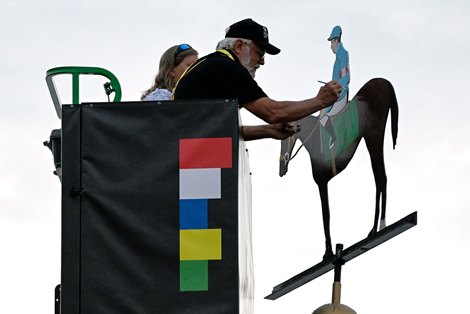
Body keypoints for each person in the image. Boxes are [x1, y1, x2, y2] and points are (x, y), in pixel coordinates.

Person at [173, 18, 342, 141]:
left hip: (178, 149)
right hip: (184, 155)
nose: (262, 61)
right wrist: (320, 101)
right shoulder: (226, 67)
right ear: (239, 46)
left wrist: (268, 131)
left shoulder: (214, 64)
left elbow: (218, 131)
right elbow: (273, 112)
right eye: (259, 53)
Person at [319, 25, 350, 146]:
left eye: (331, 42)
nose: (330, 46)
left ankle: (333, 137)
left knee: (322, 116)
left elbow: (345, 77)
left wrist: (335, 88)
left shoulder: (342, 54)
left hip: (340, 94)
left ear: (335, 41)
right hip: (337, 92)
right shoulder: (339, 55)